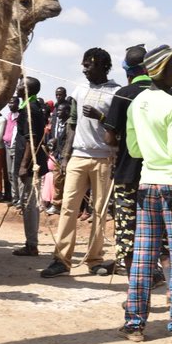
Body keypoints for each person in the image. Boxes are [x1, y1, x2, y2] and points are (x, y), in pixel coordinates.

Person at [118, 45, 172, 343]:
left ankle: (134, 324)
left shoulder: (137, 104)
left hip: (147, 185)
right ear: (161, 71)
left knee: (143, 256)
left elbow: (134, 150)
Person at [41, 48, 120, 278]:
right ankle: (61, 260)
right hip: (78, 156)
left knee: (99, 211)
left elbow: (118, 127)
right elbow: (72, 124)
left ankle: (95, 260)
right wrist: (66, 156)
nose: (84, 69)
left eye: (89, 65)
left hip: (105, 158)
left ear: (103, 66)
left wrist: (101, 118)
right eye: (83, 65)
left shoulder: (116, 92)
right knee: (68, 208)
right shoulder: (79, 90)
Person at [103, 44, 152, 277]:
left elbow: (109, 138)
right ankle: (156, 271)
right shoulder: (162, 92)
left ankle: (134, 277)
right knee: (155, 226)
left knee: (126, 225)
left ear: (127, 70)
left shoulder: (123, 93)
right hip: (156, 171)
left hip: (127, 169)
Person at [13, 78, 49, 256]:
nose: (17, 87)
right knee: (28, 203)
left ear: (26, 90)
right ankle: (31, 243)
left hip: (28, 164)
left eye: (20, 85)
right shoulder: (30, 106)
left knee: (29, 204)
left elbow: (31, 140)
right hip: (28, 163)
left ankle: (31, 244)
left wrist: (23, 166)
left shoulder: (30, 109)